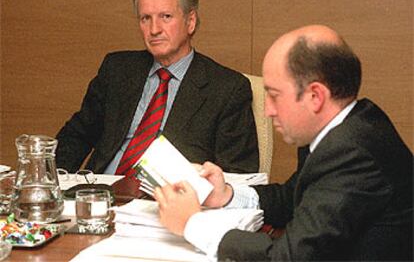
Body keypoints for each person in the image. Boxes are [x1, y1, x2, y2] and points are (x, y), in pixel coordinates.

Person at [154, 25, 413, 261]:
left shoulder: (351, 153)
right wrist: (226, 195)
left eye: (275, 96)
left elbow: (288, 257)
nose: (267, 110)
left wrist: (192, 224)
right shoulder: (346, 126)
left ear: (315, 96)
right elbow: (295, 197)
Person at [55, 0, 259, 176]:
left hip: (170, 200)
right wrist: (48, 180)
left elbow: (237, 174)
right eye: (146, 18)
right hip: (102, 194)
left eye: (165, 17)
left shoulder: (226, 88)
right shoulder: (117, 70)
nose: (154, 29)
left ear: (190, 22)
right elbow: (76, 136)